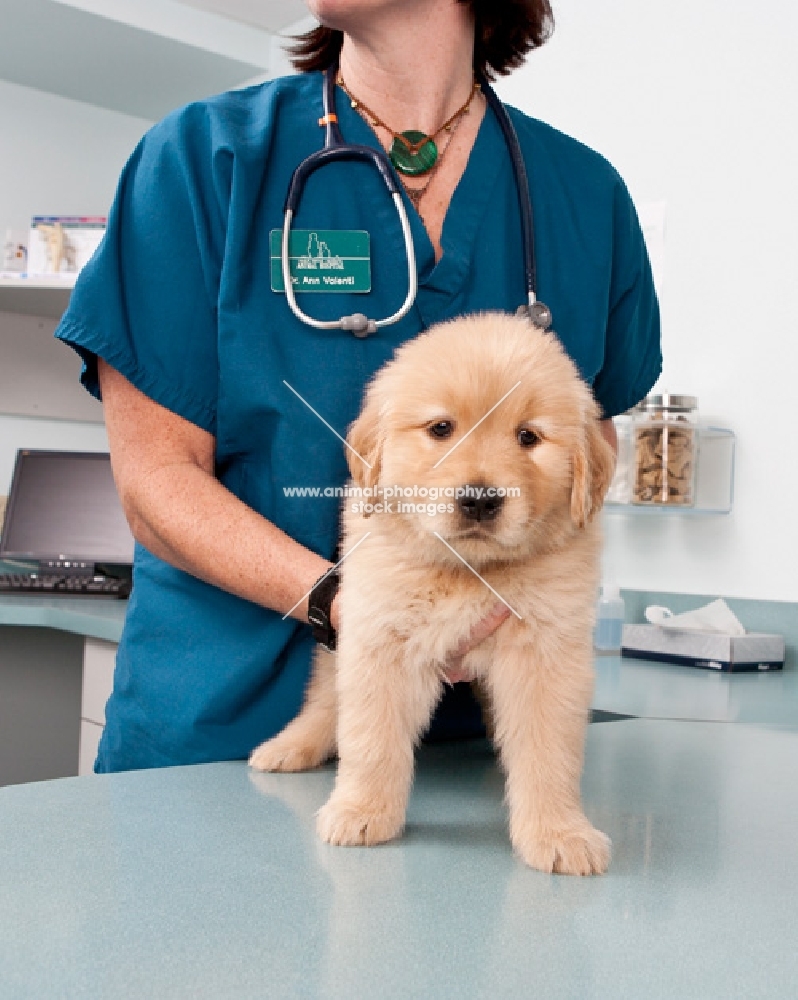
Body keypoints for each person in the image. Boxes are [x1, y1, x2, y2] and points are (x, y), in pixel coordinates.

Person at [55, 0, 661, 773]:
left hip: (468, 762)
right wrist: (357, 608)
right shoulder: (206, 158)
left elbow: (588, 449)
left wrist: (517, 598)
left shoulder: (583, 194)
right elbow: (155, 480)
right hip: (216, 735)